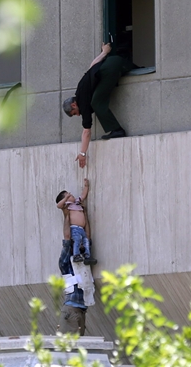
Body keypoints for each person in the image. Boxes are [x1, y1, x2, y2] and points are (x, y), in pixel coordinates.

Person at [62, 40, 137, 168]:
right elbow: (92, 66)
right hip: (114, 62)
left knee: (96, 103)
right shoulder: (80, 89)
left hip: (112, 67)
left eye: (74, 113)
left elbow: (86, 132)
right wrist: (104, 52)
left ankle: (117, 130)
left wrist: (82, 153)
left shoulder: (83, 103)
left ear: (74, 105)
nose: (77, 115)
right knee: (96, 101)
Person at [55, 178, 96, 265]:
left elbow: (83, 195)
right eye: (68, 196)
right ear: (65, 200)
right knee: (77, 241)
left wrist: (86, 186)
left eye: (70, 195)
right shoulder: (67, 206)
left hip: (82, 228)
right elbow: (58, 205)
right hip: (75, 228)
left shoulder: (77, 202)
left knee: (86, 241)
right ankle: (76, 255)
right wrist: (65, 198)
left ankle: (88, 256)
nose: (71, 195)